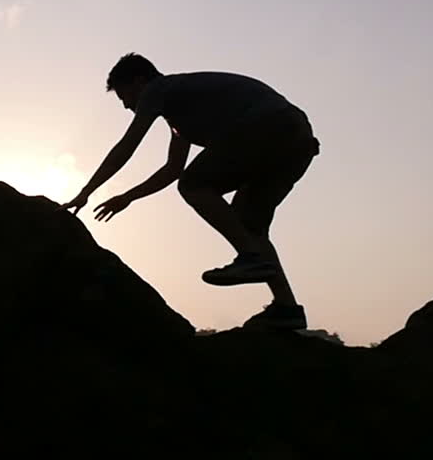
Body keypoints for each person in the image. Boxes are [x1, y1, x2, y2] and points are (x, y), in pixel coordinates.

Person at [61, 53, 321, 330]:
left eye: (124, 96)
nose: (126, 106)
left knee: (194, 185)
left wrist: (86, 191)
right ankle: (287, 308)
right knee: (249, 225)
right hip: (296, 137)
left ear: (139, 81)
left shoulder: (158, 89)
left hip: (266, 124)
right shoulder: (182, 113)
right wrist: (127, 197)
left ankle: (252, 258)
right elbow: (172, 168)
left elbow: (128, 145)